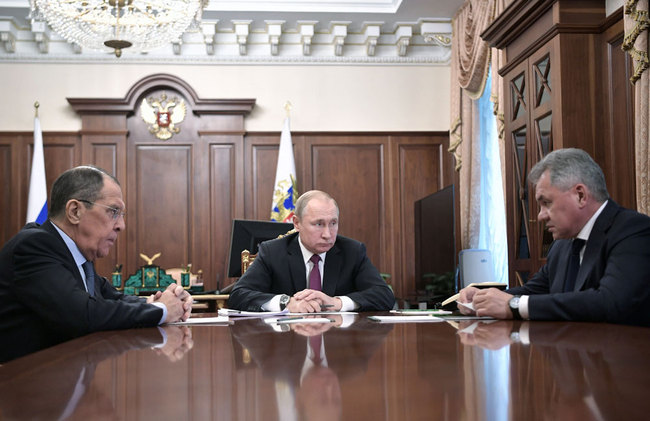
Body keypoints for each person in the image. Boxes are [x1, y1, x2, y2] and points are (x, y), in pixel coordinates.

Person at [0, 165, 192, 362]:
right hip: (24, 385)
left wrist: (163, 302)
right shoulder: (34, 247)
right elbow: (83, 314)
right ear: (75, 211)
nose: (121, 225)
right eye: (113, 211)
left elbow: (114, 298)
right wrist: (162, 310)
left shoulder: (77, 255)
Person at [458, 148, 650, 326]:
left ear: (581, 195)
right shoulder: (562, 245)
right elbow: (534, 292)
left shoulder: (633, 231)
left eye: (546, 203)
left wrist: (514, 305)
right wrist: (483, 299)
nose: (540, 216)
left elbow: (610, 301)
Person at [228, 190, 395, 312]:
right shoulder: (272, 252)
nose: (328, 234)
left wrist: (337, 303)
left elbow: (384, 296)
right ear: (297, 223)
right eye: (318, 224)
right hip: (286, 346)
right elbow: (239, 295)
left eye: (333, 223)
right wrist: (287, 303)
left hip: (338, 347)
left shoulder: (352, 251)